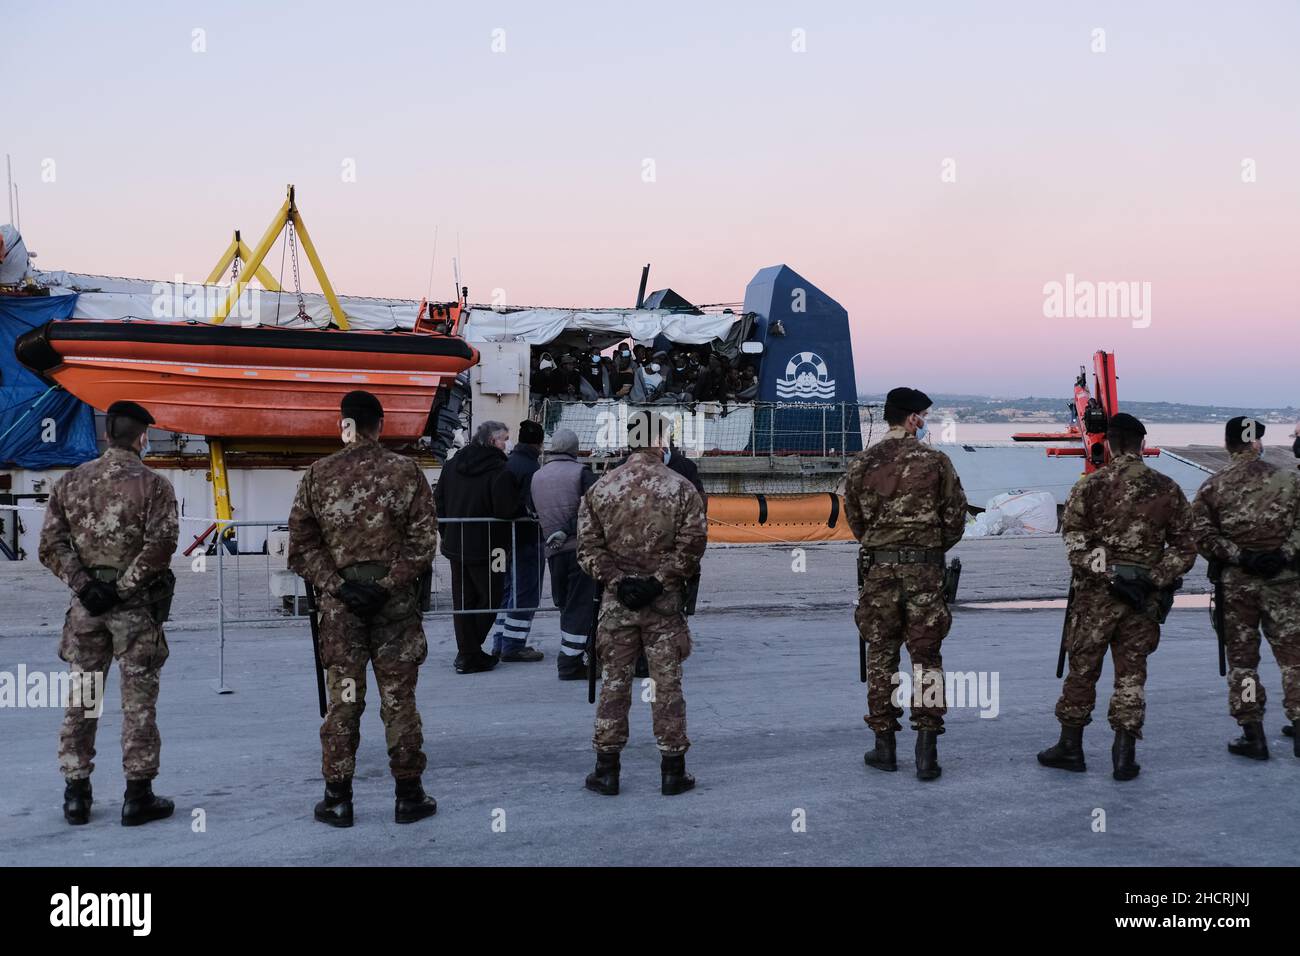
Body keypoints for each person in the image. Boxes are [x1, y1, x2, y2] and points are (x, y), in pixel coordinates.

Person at [288, 391, 439, 827]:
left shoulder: (319, 475)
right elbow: (424, 543)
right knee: (399, 701)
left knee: (345, 702)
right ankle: (409, 796)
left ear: (345, 425)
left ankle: (338, 799)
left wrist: (338, 586)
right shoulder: (406, 473)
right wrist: (387, 584)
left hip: (342, 614)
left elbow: (302, 547)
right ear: (380, 425)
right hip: (394, 611)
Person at [39, 400, 179, 827]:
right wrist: (121, 589)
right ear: (143, 438)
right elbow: (160, 547)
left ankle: (76, 794)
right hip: (134, 612)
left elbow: (51, 546)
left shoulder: (70, 483)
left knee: (82, 700)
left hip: (86, 611)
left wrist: (87, 587)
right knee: (138, 704)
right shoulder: (155, 486)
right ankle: (138, 795)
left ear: (106, 435)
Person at [1037, 413, 1196, 780]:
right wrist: (1153, 578)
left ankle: (1070, 747)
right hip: (1144, 600)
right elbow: (1186, 547)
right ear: (1142, 444)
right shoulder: (1167, 488)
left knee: (1082, 670)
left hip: (1095, 599)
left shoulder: (1089, 487)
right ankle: (1124, 754)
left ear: (1108, 444)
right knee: (1131, 674)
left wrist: (1108, 577)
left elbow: (1076, 545)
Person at [578, 411, 708, 796]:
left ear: (631, 438)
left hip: (617, 605)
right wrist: (658, 582)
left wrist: (618, 581)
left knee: (613, 685)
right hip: (663, 606)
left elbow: (587, 550)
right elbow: (693, 545)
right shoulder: (681, 487)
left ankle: (607, 769)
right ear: (661, 439)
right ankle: (672, 770)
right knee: (667, 685)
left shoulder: (601, 488)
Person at [844, 387, 967, 780]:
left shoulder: (863, 463)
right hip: (925, 574)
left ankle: (884, 747)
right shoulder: (936, 462)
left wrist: (884, 546)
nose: (925, 422)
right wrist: (927, 549)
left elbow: (856, 521)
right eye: (923, 415)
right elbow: (955, 520)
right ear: (912, 419)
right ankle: (927, 751)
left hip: (879, 572)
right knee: (926, 659)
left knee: (881, 656)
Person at [1190, 416, 1300, 758]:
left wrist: (1243, 557)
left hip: (1238, 588)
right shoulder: (1289, 479)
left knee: (1244, 663)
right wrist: (1282, 554)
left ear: (1228, 444)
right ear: (1256, 443)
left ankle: (1253, 734)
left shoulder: (1213, 487)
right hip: (1285, 584)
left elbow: (1204, 537)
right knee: (1294, 660)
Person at [433, 421, 515, 674]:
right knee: (491, 597)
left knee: (464, 601)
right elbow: (506, 509)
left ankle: (468, 652)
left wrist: (447, 533)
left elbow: (440, 501)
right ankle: (469, 652)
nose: (507, 444)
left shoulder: (452, 465)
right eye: (504, 438)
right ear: (492, 441)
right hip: (492, 548)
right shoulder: (499, 469)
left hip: (457, 544)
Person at [530, 428, 600, 680]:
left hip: (553, 552)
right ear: (574, 450)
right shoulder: (581, 473)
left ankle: (575, 652)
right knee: (581, 605)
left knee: (564, 605)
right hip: (580, 549)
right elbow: (594, 508)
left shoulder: (537, 476)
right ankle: (570, 663)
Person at [489, 420, 547, 663]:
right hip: (527, 538)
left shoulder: (509, 462)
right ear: (539, 443)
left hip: (508, 539)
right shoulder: (532, 468)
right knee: (526, 593)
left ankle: (500, 641)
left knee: (508, 591)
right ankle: (514, 645)